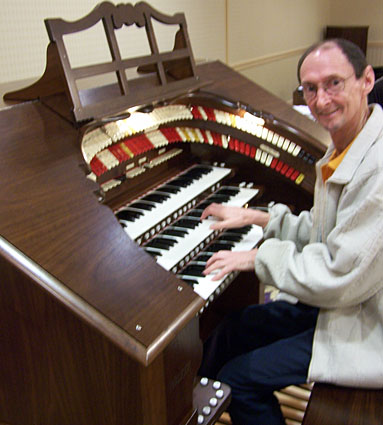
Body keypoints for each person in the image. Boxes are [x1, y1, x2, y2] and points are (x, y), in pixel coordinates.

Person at [198, 38, 383, 425]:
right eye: (310, 88)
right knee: (230, 330)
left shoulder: (378, 170)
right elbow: (326, 230)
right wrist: (257, 218)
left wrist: (257, 257)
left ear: (367, 80)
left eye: (334, 83)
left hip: (367, 326)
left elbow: (338, 273)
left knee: (240, 380)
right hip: (344, 305)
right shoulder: (349, 143)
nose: (321, 99)